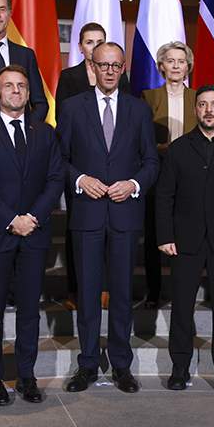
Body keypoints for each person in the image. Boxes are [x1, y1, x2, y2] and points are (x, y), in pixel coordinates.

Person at [56, 42, 159, 394]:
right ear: (92, 67)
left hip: (124, 216)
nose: (110, 71)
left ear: (123, 67)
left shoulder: (138, 109)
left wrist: (133, 185)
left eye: (116, 66)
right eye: (104, 65)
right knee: (87, 294)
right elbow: (59, 159)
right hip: (87, 214)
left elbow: (151, 162)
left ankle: (121, 365)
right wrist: (81, 180)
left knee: (122, 293)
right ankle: (87, 364)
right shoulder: (72, 108)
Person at [0, 65, 65, 406]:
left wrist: (32, 218)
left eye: (21, 85)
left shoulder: (45, 133)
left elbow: (55, 179)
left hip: (34, 234)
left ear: (28, 93)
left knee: (29, 311)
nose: (16, 90)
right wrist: (11, 220)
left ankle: (26, 376)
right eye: (8, 85)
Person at [156, 85, 214, 393]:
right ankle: (179, 368)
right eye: (203, 104)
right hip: (185, 240)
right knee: (182, 307)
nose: (209, 110)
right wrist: (165, 235)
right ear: (195, 109)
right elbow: (164, 196)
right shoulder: (178, 149)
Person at [55, 22, 130, 311]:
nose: (94, 46)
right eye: (89, 41)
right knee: (79, 238)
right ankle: (78, 291)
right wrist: (79, 177)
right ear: (81, 46)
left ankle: (106, 289)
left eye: (100, 41)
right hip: (82, 177)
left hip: (117, 182)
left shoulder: (121, 80)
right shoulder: (70, 81)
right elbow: (63, 133)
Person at [142, 41, 197, 308]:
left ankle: (183, 294)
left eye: (181, 61)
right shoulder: (148, 97)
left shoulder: (198, 98)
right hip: (157, 176)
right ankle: (153, 293)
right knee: (154, 237)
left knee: (186, 238)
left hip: (190, 178)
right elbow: (142, 140)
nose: (176, 66)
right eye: (170, 61)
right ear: (161, 66)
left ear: (188, 67)